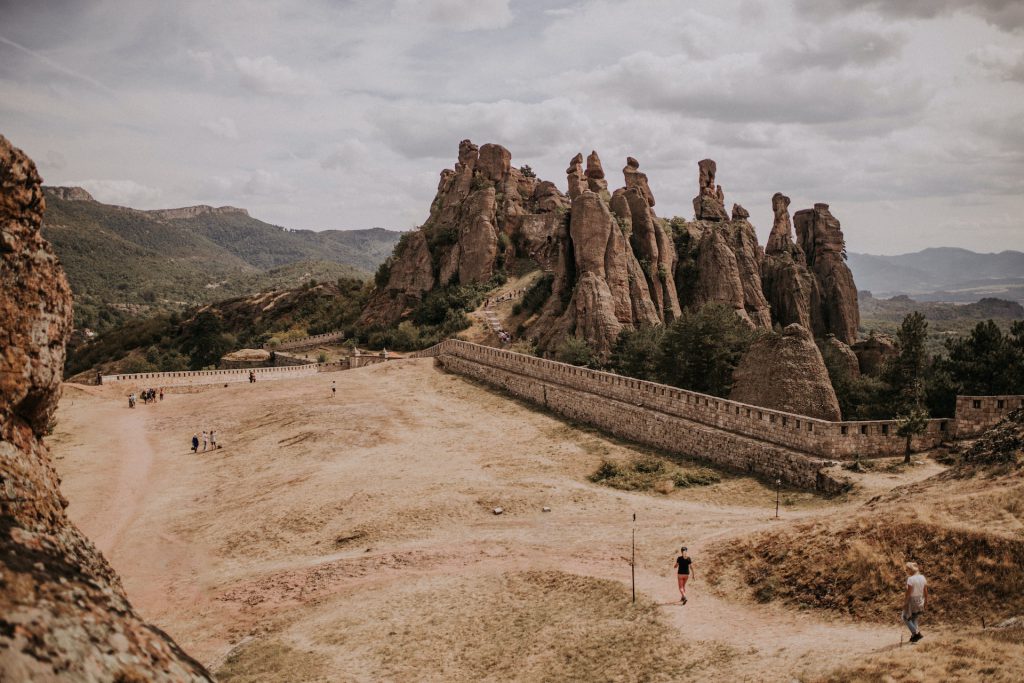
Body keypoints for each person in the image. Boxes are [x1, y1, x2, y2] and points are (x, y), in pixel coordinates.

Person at [903, 562, 928, 642]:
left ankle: (916, 633)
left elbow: (908, 593)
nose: (906, 571)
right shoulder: (922, 577)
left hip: (912, 601)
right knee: (914, 618)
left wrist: (905, 603)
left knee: (904, 617)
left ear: (910, 570)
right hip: (920, 600)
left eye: (907, 570)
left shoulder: (910, 579)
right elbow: (925, 591)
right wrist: (926, 602)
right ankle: (914, 637)